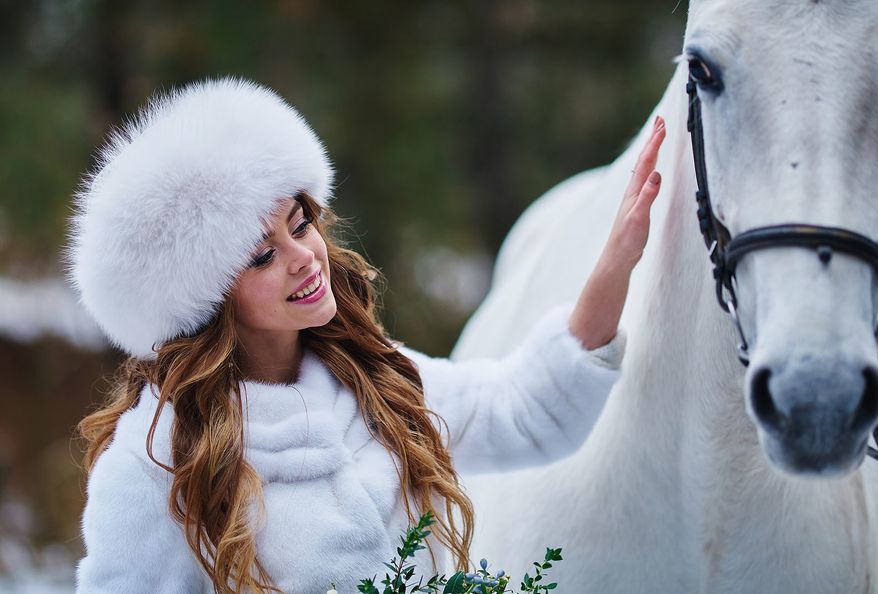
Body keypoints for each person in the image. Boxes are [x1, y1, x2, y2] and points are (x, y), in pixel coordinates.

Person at [69, 77, 666, 593]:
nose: (303, 256)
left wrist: (616, 260)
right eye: (261, 257)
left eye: (300, 224)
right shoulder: (155, 461)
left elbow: (528, 410)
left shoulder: (377, 385)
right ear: (205, 300)